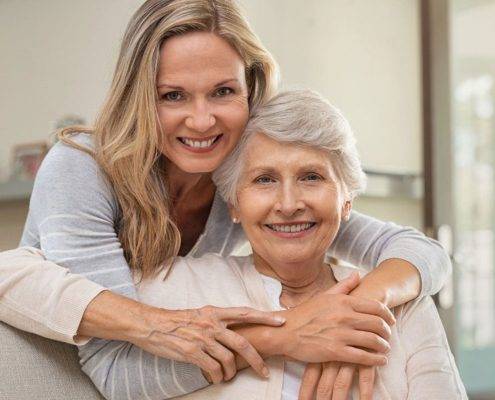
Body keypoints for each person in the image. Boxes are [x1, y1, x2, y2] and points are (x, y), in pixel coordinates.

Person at [0, 0, 451, 398]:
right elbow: (116, 370)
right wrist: (289, 331)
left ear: (250, 90)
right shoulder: (81, 168)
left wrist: (350, 315)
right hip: (51, 375)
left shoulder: (237, 178)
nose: (201, 120)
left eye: (223, 91)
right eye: (173, 95)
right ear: (139, 98)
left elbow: (422, 252)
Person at [126, 89, 467, 399]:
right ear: (233, 204)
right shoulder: (173, 289)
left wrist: (357, 313)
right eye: (264, 179)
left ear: (347, 200)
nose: (288, 204)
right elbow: (121, 382)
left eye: (311, 177)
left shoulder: (404, 306)